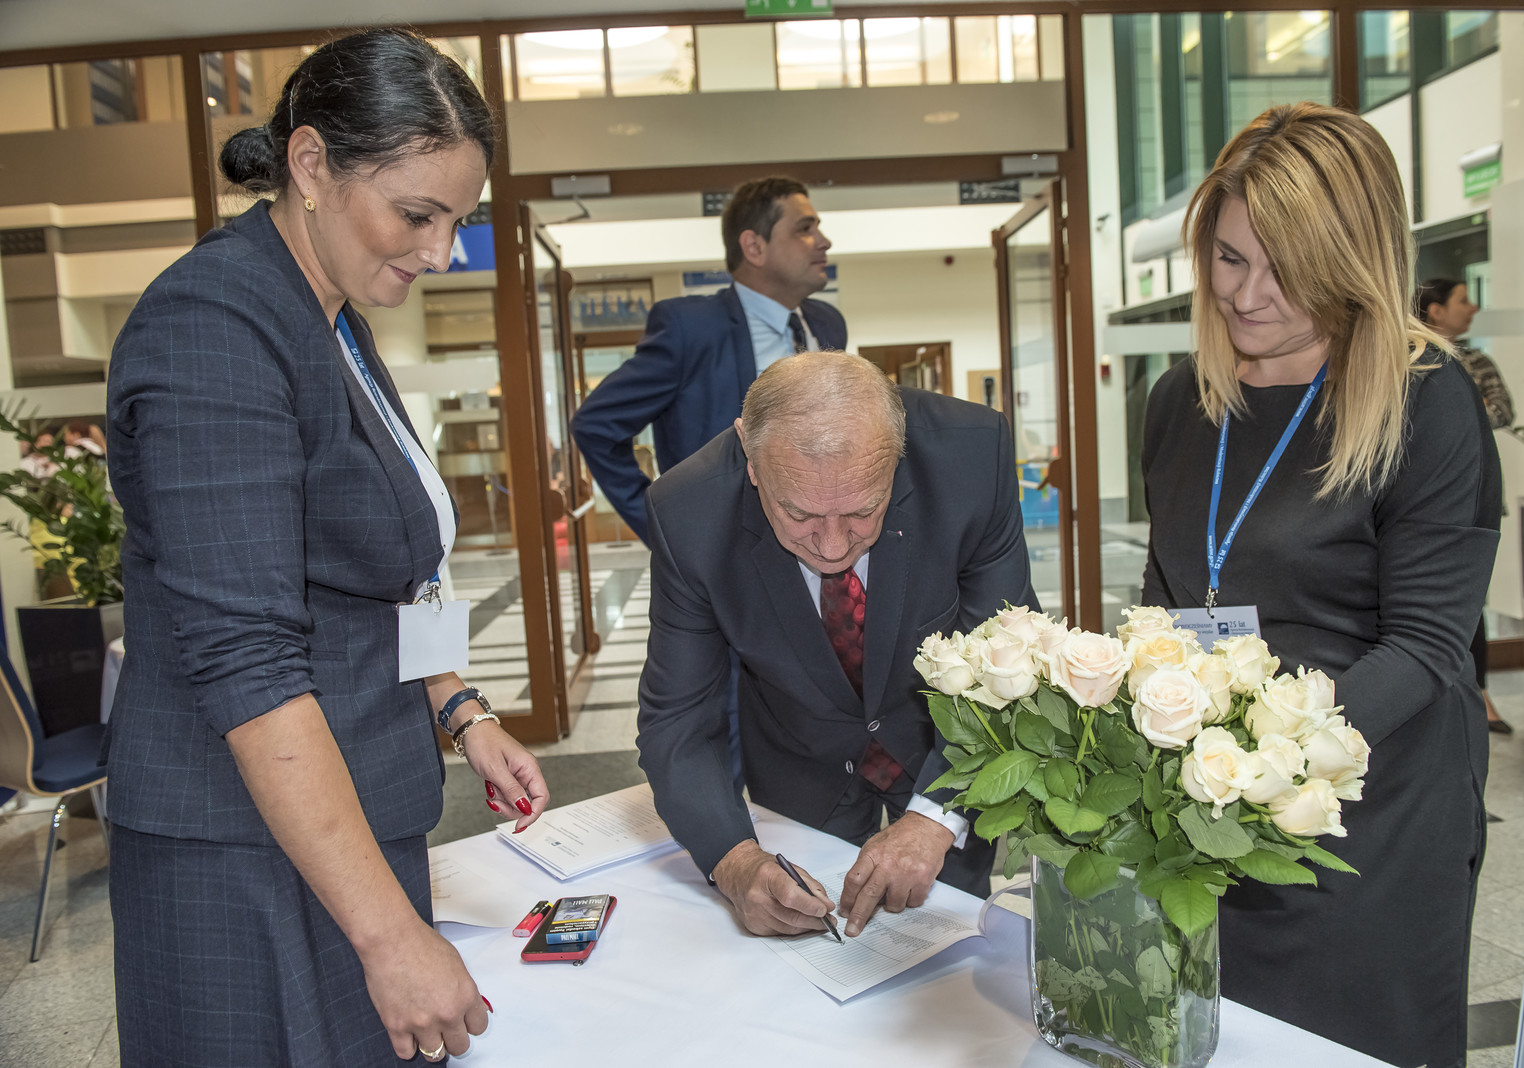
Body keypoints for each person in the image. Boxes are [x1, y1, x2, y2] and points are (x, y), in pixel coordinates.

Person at [104, 30, 549, 1066]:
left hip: (333, 821)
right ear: (310, 164)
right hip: (244, 847)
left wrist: (457, 705)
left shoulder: (328, 314)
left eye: (459, 221)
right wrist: (390, 935)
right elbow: (248, 659)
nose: (440, 252)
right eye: (417, 215)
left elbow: (373, 571)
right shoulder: (216, 324)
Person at [1140, 103, 1500, 1068]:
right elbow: (1168, 600)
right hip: (1216, 800)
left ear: (1351, 260)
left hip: (1367, 816)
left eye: (1286, 268)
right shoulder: (1179, 402)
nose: (1247, 294)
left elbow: (1425, 646)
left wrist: (1265, 763)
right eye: (1229, 258)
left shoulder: (1426, 401)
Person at [635, 351, 1035, 940]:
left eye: (862, 512)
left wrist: (936, 816)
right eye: (797, 513)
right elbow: (677, 720)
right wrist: (735, 861)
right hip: (799, 761)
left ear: (897, 455)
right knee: (797, 949)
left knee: (950, 948)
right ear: (750, 457)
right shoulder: (688, 511)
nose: (830, 547)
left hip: (943, 750)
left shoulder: (972, 457)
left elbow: (1010, 657)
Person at [569, 175, 846, 546]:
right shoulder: (691, 329)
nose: (824, 241)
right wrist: (665, 531)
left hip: (826, 545)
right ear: (754, 247)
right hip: (726, 555)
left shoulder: (828, 324)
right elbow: (597, 426)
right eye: (804, 229)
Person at [1417, 276, 1516, 734]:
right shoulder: (1405, 354)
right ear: (1436, 310)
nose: (1472, 307)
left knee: (1470, 602)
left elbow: (1502, 410)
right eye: (1462, 299)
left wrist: (1456, 410)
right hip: (1416, 498)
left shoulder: (1474, 360)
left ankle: (1480, 694)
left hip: (1468, 493)